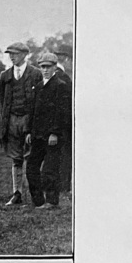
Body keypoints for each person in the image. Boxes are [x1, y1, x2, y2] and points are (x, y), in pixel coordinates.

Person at [26, 52, 71, 210]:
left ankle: (52, 201)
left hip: (52, 136)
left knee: (49, 170)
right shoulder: (38, 87)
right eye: (42, 67)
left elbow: (62, 112)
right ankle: (38, 201)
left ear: (54, 67)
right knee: (31, 167)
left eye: (48, 67)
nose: (45, 70)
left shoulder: (61, 86)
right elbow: (33, 111)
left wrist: (55, 133)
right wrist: (29, 132)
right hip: (37, 134)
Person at [0, 42, 42, 206]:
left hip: (29, 119)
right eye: (10, 54)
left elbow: (39, 101)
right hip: (12, 120)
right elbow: (2, 100)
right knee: (16, 158)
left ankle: (36, 193)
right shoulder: (5, 75)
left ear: (25, 55)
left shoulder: (35, 74)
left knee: (32, 157)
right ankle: (17, 193)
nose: (12, 56)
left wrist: (33, 125)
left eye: (15, 53)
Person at [54, 45, 73, 193]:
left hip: (55, 122)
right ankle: (63, 185)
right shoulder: (64, 77)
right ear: (66, 59)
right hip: (64, 123)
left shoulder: (55, 75)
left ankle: (60, 183)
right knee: (65, 154)